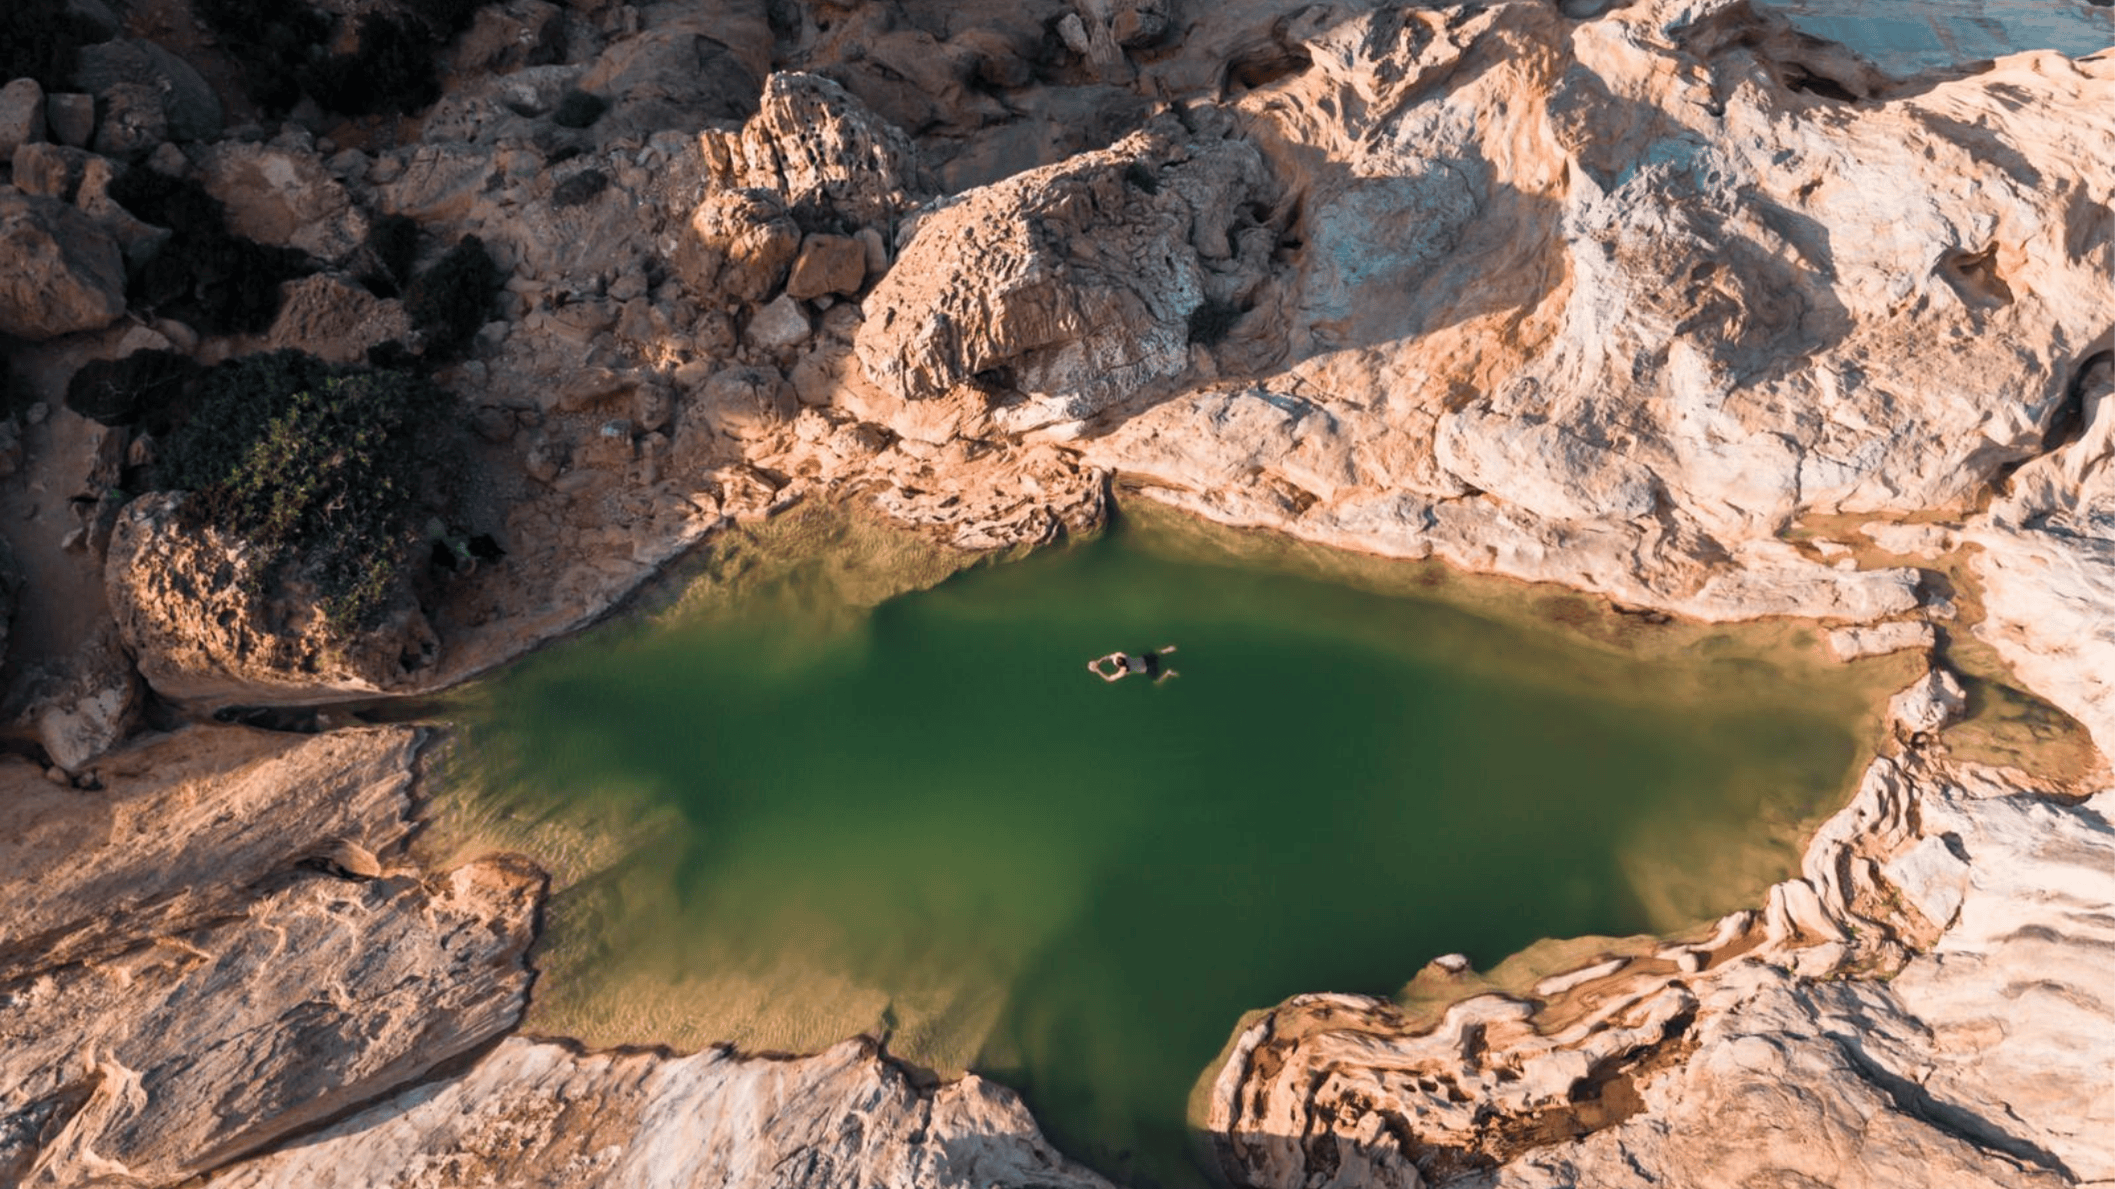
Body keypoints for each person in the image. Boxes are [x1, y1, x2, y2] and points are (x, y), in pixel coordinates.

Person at [1087, 645, 1178, 683]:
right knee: (1156, 653)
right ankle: (1168, 649)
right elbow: (1108, 657)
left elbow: (1109, 679)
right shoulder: (1120, 655)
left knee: (1157, 682)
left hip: (1148, 668)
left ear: (1118, 665)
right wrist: (1099, 661)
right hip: (1145, 659)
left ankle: (1167, 673)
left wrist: (1098, 670)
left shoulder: (1123, 671)